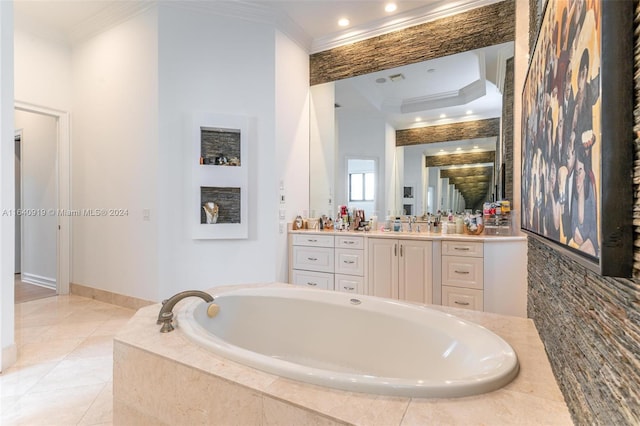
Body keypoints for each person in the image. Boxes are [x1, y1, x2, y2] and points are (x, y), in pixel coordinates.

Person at [569, 146, 598, 256]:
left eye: (580, 172)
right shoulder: (574, 197)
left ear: (586, 172)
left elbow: (593, 235)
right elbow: (573, 228)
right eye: (576, 173)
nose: (577, 178)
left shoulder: (590, 190)